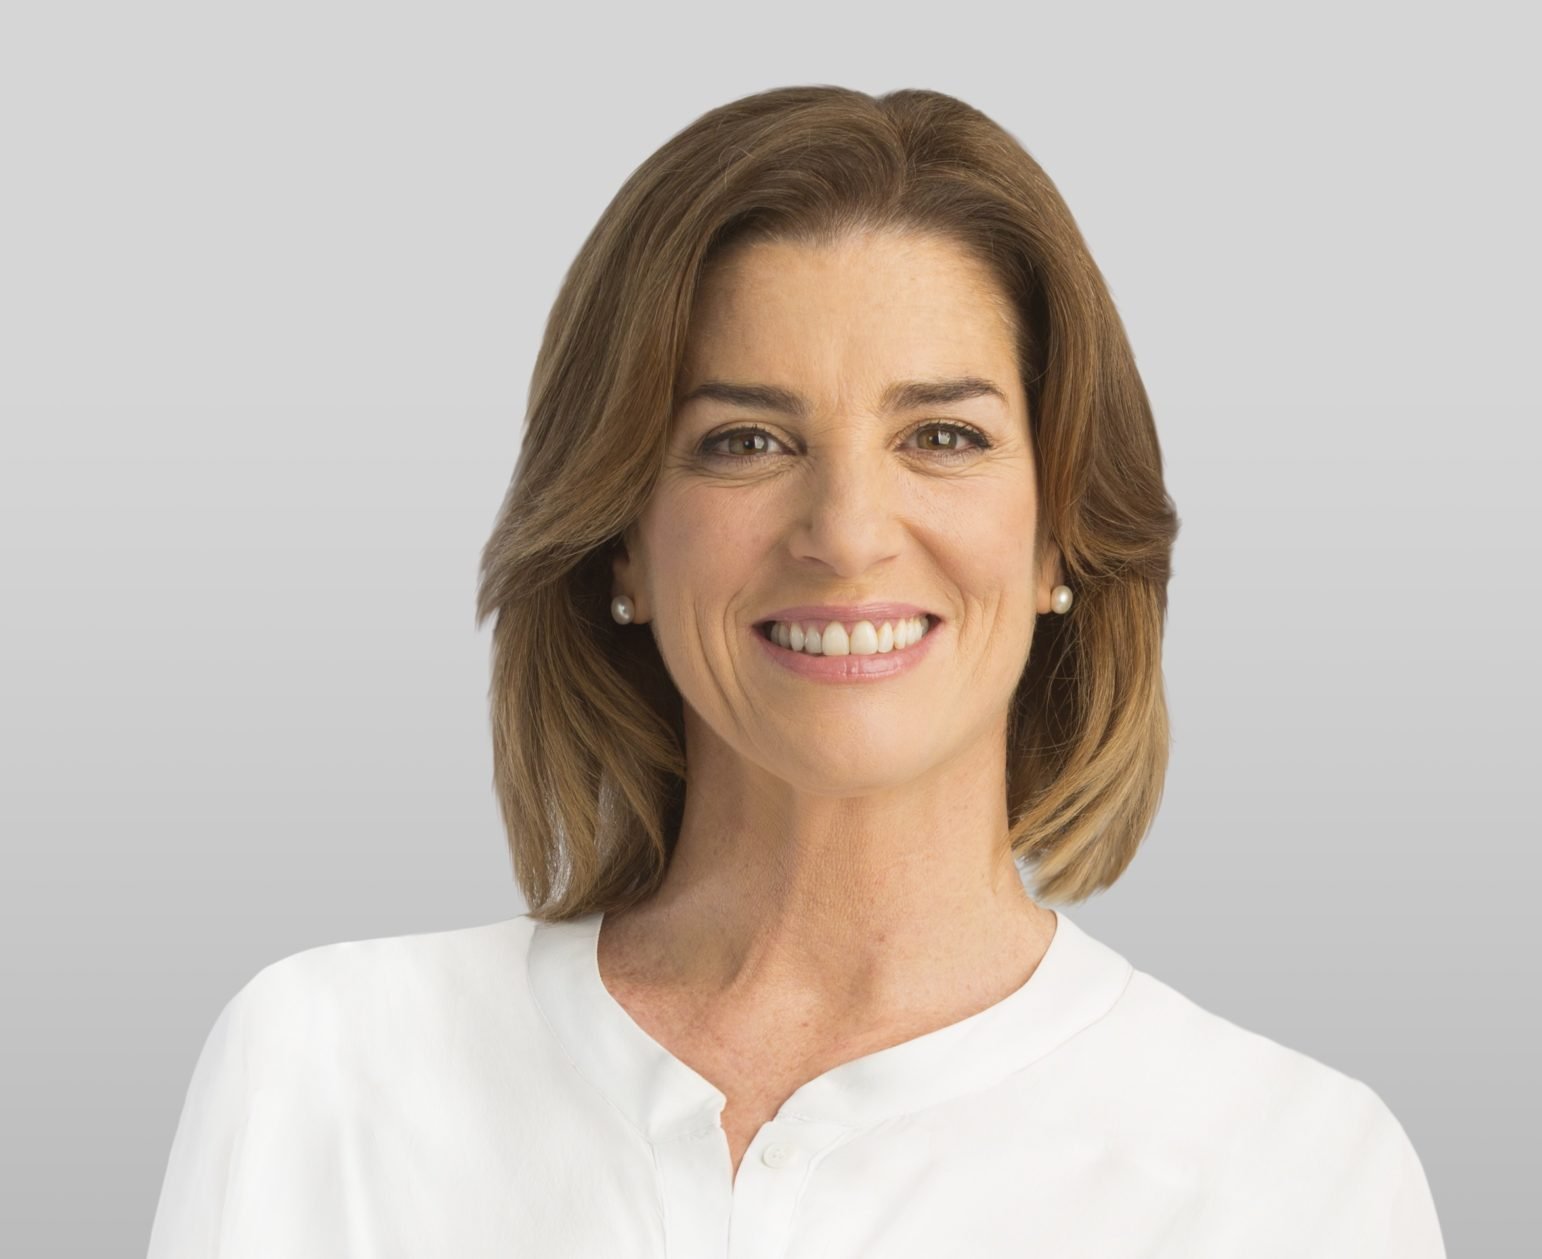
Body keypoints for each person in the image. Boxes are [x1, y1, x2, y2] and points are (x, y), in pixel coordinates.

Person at [146, 85, 1448, 1257]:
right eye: (747, 442)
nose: (848, 532)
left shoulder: (1292, 1179)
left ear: (1059, 533)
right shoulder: (328, 1073)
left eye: (943, 435)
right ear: (621, 541)